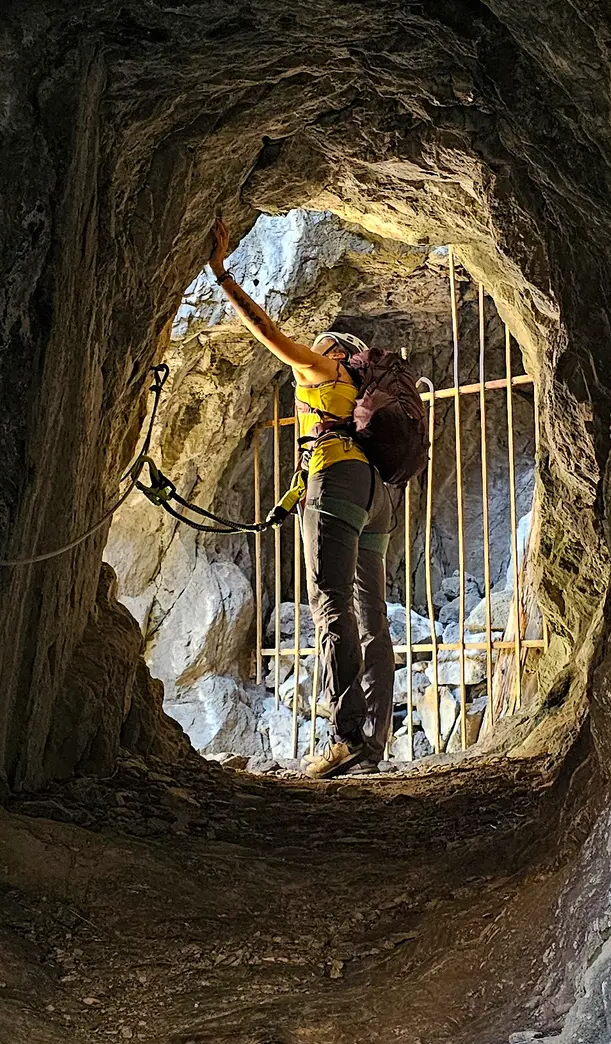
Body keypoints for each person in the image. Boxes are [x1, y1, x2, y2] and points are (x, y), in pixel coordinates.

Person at [207, 217, 397, 779]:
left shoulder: (321, 367)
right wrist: (292, 498)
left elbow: (266, 330)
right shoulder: (352, 391)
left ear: (337, 352)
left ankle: (345, 738)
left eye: (323, 339)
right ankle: (372, 743)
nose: (312, 343)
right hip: (373, 493)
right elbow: (317, 447)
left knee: (329, 604)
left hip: (337, 481)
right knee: (372, 616)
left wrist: (222, 274)